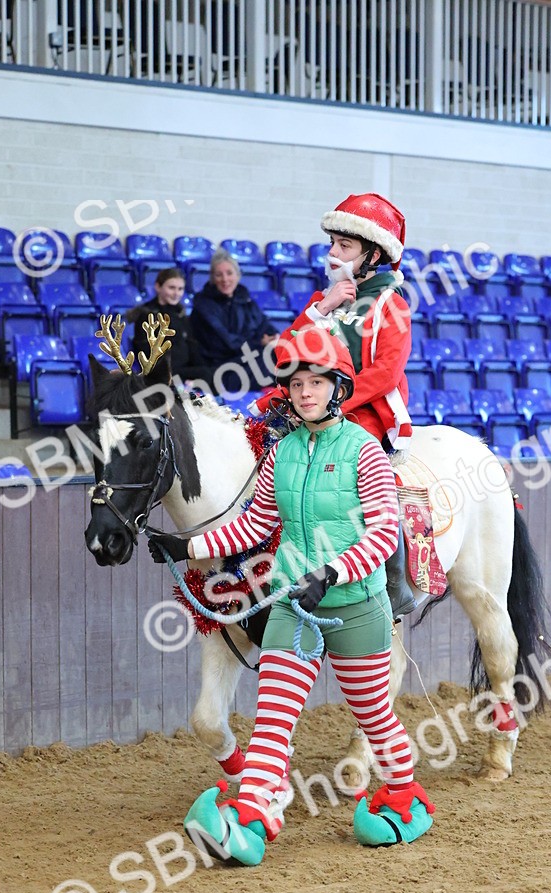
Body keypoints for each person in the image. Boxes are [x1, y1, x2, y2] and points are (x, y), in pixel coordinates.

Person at [147, 328, 435, 867]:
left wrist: (331, 571)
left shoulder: (365, 452)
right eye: (296, 383)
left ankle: (403, 793)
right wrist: (187, 546)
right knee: (272, 718)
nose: (304, 392)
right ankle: (253, 817)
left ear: (338, 385)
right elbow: (254, 527)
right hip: (294, 604)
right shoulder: (281, 452)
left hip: (355, 606)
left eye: (316, 382)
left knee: (374, 716)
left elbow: (379, 532)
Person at [253, 193, 417, 615]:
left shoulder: (391, 305)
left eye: (343, 246)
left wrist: (334, 404)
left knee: (373, 487)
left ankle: (395, 582)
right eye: (332, 244)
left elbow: (384, 373)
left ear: (372, 254)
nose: (332, 253)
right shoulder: (321, 302)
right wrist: (321, 307)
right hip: (307, 404)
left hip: (362, 413)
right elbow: (283, 357)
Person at [189, 249, 279, 390]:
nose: (225, 279)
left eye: (229, 273)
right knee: (269, 361)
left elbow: (264, 325)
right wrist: (259, 343)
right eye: (219, 275)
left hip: (248, 359)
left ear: (238, 275)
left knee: (282, 353)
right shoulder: (203, 306)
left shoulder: (246, 301)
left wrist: (275, 337)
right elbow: (224, 342)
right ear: (213, 278)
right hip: (221, 367)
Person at [125, 267, 213, 388]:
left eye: (180, 289)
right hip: (161, 371)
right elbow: (144, 352)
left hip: (182, 370)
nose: (176, 293)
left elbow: (192, 346)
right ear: (158, 287)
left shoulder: (180, 314)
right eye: (171, 288)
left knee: (211, 372)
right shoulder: (146, 314)